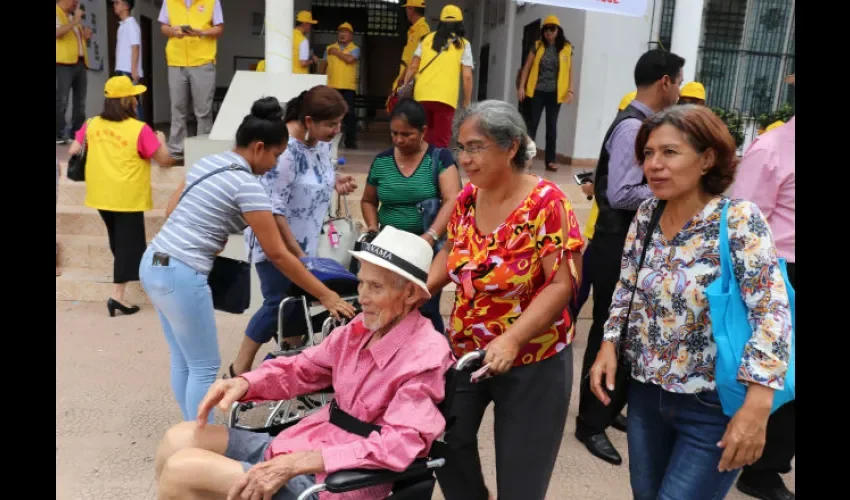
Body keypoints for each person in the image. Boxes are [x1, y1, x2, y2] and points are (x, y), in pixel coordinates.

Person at [154, 226, 455, 500]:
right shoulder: (360, 329)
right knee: (177, 438)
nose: (362, 297)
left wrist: (299, 462)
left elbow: (399, 445)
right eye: (361, 283)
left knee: (183, 470)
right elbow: (303, 368)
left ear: (411, 293)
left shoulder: (425, 354)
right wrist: (245, 382)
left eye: (376, 288)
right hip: (304, 445)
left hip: (338, 483)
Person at [589, 104, 792, 500]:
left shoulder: (737, 219)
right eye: (648, 153)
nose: (654, 165)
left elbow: (772, 311)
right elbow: (626, 286)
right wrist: (609, 344)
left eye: (669, 152)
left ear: (707, 159)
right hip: (647, 396)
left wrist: (758, 404)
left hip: (712, 403)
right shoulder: (647, 214)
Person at [139, 97, 356, 423]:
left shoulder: (207, 163)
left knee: (184, 360)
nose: (273, 165)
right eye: (275, 155)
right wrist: (326, 294)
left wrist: (212, 230)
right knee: (205, 367)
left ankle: (191, 434)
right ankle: (207, 441)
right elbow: (278, 254)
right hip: (182, 273)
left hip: (153, 262)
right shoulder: (247, 185)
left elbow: (172, 211)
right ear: (258, 147)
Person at [430, 101, 583, 500]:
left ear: (511, 146)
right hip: (467, 352)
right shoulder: (467, 197)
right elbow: (453, 251)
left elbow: (560, 285)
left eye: (476, 147)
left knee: (521, 478)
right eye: (461, 147)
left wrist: (512, 339)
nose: (465, 158)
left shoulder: (548, 204)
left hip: (533, 358)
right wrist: (418, 290)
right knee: (444, 443)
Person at [576, 48, 685, 466]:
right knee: (607, 331)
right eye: (677, 81)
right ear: (665, 82)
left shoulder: (645, 126)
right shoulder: (632, 128)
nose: (677, 90)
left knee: (624, 333)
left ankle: (606, 406)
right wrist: (669, 189)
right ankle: (589, 423)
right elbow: (621, 193)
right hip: (613, 244)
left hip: (629, 244)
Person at [229, 86, 358, 377]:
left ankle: (286, 374)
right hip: (277, 244)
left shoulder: (321, 142)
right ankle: (240, 368)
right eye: (330, 125)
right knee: (279, 305)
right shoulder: (284, 150)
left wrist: (334, 182)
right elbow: (274, 209)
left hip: (307, 242)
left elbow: (312, 177)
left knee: (295, 314)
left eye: (340, 124)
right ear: (308, 120)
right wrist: (297, 256)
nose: (336, 131)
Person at [732, 86, 795, 500]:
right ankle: (760, 469)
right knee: (780, 373)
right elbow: (741, 223)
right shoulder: (771, 149)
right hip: (781, 274)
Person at [67, 76, 177, 317]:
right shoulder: (139, 129)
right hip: (127, 196)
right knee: (129, 246)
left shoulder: (92, 123)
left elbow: (74, 149)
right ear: (128, 101)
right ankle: (118, 296)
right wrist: (162, 141)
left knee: (120, 243)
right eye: (135, 97)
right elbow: (164, 160)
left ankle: (141, 278)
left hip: (100, 195)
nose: (137, 101)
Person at [361, 98, 462, 334]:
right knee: (389, 307)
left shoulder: (439, 159)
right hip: (390, 250)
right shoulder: (382, 161)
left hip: (426, 251)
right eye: (394, 133)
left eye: (406, 134)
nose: (399, 140)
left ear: (423, 131)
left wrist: (430, 236)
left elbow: (453, 199)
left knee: (424, 308)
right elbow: (368, 200)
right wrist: (373, 228)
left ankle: (434, 357)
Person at [159, 0, 224, 160]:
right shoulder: (169, 1)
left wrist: (201, 32)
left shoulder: (211, 2)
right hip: (176, 60)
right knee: (177, 108)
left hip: (202, 60)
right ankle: (176, 150)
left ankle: (203, 151)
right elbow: (163, 27)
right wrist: (174, 31)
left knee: (203, 110)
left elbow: (219, 28)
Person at [403, 4, 474, 148]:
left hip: (422, 95)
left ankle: (423, 167)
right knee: (441, 140)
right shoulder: (463, 44)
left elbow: (413, 66)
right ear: (460, 24)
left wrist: (405, 85)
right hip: (445, 98)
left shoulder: (426, 39)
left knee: (424, 136)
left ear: (440, 22)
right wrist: (467, 101)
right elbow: (467, 77)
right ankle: (436, 168)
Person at [517, 15, 575, 172]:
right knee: (532, 125)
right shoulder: (537, 46)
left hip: (555, 94)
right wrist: (521, 87)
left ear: (558, 30)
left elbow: (569, 71)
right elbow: (526, 67)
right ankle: (526, 157)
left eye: (552, 29)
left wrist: (570, 90)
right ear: (543, 32)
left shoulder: (566, 48)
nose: (549, 32)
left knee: (552, 126)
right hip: (537, 92)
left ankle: (550, 160)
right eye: (546, 29)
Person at [56, 0, 93, 144]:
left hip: (80, 62)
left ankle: (76, 133)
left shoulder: (73, 16)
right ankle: (58, 134)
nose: (76, 3)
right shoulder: (58, 12)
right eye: (74, 0)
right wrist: (75, 21)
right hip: (62, 62)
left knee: (80, 100)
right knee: (61, 99)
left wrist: (85, 35)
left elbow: (74, 37)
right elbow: (58, 32)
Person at [320, 23, 361, 149]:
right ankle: (325, 139)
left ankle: (350, 141)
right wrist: (319, 78)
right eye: (340, 32)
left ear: (351, 35)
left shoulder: (355, 48)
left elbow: (350, 60)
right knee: (329, 113)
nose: (343, 34)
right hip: (332, 86)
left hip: (348, 87)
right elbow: (323, 65)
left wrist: (336, 52)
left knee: (349, 114)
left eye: (346, 32)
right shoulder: (329, 48)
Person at [388, 0, 431, 111]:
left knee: (401, 108)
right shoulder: (414, 29)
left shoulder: (422, 29)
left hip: (410, 75)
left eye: (407, 8)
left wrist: (405, 77)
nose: (406, 12)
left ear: (411, 9)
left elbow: (420, 56)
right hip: (406, 72)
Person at [112, 0, 144, 121]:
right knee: (124, 104)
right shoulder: (123, 25)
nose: (114, 5)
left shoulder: (131, 24)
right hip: (122, 69)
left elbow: (135, 46)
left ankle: (140, 133)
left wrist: (134, 69)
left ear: (125, 6)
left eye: (117, 3)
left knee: (133, 103)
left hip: (128, 71)